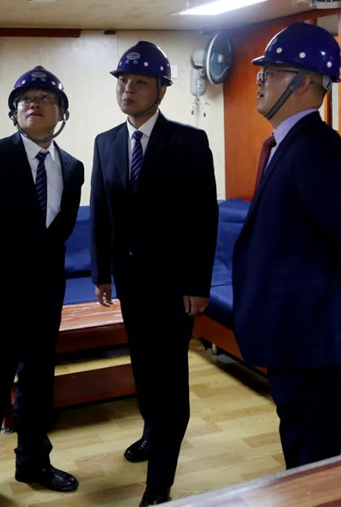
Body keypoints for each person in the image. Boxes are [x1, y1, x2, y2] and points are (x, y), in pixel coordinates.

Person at [232, 22, 341, 470]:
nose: (260, 80)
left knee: (314, 458)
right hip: (291, 330)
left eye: (272, 72)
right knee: (299, 446)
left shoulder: (318, 148)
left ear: (304, 83)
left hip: (311, 334)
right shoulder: (287, 144)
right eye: (262, 72)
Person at [90, 41, 218, 506]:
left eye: (140, 81)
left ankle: (159, 484)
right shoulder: (106, 142)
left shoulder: (188, 142)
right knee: (143, 367)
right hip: (131, 284)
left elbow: (204, 219)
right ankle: (152, 433)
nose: (127, 89)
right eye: (122, 81)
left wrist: (198, 284)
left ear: (161, 90)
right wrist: (101, 273)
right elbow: (101, 213)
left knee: (169, 376)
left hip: (174, 287)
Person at [0, 66, 84, 494]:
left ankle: (34, 464)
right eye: (25, 99)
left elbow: (58, 234)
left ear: (62, 112)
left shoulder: (73, 168)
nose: (34, 103)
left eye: (45, 97)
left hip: (46, 297)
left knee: (38, 385)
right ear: (14, 112)